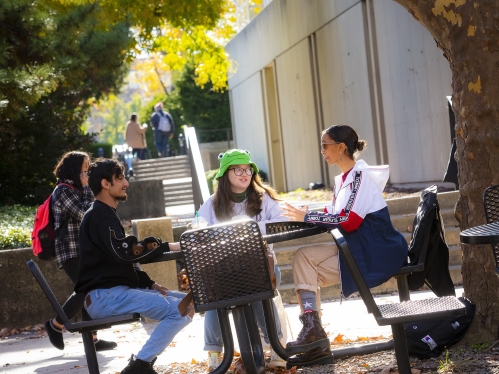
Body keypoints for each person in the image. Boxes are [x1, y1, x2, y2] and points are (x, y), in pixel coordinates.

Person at [282, 124, 408, 365]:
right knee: (303, 259)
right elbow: (335, 212)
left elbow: (348, 221)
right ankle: (313, 333)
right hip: (357, 246)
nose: (322, 151)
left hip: (377, 250)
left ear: (340, 148)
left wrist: (307, 217)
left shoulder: (360, 178)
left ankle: (313, 337)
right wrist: (308, 213)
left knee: (307, 264)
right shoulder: (344, 179)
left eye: (324, 145)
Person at [74, 158, 192, 374]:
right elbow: (125, 251)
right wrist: (168, 245)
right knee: (179, 311)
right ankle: (140, 366)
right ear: (105, 184)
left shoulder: (103, 213)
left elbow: (115, 261)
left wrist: (150, 283)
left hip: (109, 294)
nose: (126, 183)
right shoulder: (100, 215)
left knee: (187, 304)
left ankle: (142, 364)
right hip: (105, 297)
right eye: (120, 178)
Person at [197, 149, 288, 370]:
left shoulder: (264, 198)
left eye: (247, 169)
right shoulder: (211, 204)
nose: (244, 174)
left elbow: (282, 222)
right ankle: (214, 354)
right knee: (213, 293)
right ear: (225, 174)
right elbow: (198, 231)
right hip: (225, 271)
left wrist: (249, 226)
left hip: (263, 268)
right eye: (238, 169)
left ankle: (275, 347)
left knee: (256, 286)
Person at [44, 151, 117, 352]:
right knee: (85, 289)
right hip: (70, 251)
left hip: (82, 250)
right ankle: (56, 324)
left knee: (90, 291)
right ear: (74, 169)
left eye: (87, 168)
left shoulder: (75, 189)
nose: (86, 172)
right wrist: (86, 187)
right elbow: (85, 212)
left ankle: (91, 339)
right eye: (84, 168)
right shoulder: (62, 191)